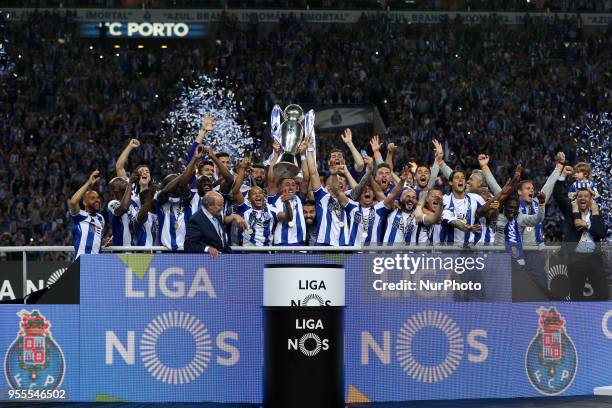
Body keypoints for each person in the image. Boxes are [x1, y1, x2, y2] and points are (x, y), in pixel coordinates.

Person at [553, 176, 608, 301]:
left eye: (586, 196)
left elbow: (601, 233)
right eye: (580, 196)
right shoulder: (570, 211)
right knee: (576, 295)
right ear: (576, 199)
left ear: (591, 199)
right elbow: (557, 195)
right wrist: (561, 176)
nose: (582, 198)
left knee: (603, 294)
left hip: (595, 258)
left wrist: (587, 225)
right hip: (576, 259)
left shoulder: (596, 212)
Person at [69, 170, 105, 258]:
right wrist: (88, 183)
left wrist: (102, 241)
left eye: (98, 198)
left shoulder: (100, 219)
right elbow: (73, 202)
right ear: (84, 202)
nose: (97, 200)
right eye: (92, 198)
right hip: (81, 262)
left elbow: (93, 236)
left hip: (97, 262)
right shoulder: (80, 216)